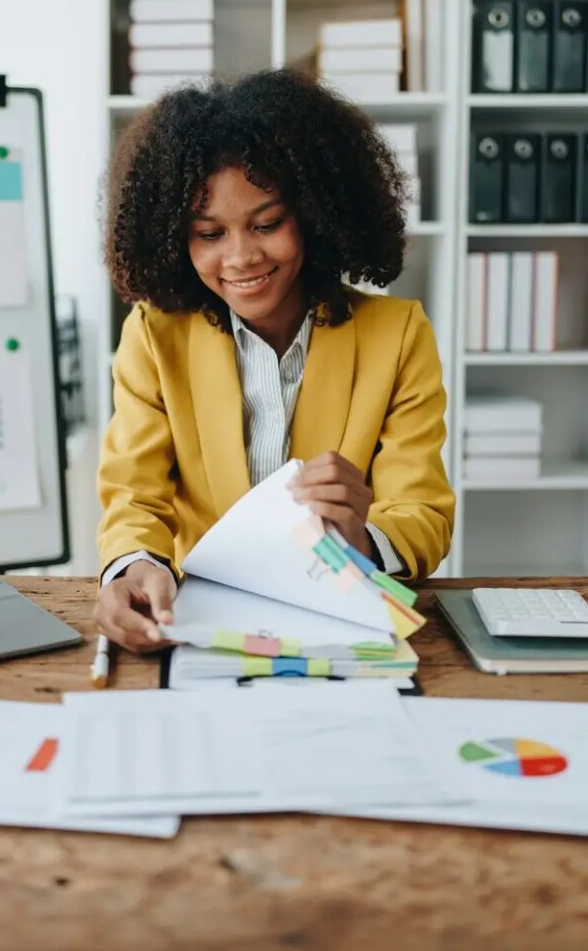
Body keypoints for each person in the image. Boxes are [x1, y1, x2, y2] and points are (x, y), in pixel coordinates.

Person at [94, 69, 455, 652]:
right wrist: (133, 566)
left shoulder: (398, 335)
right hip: (197, 624)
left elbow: (423, 511)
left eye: (266, 224)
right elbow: (135, 495)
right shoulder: (154, 338)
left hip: (342, 618)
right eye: (208, 234)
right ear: (173, 239)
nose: (240, 257)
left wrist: (360, 538)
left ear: (314, 213)